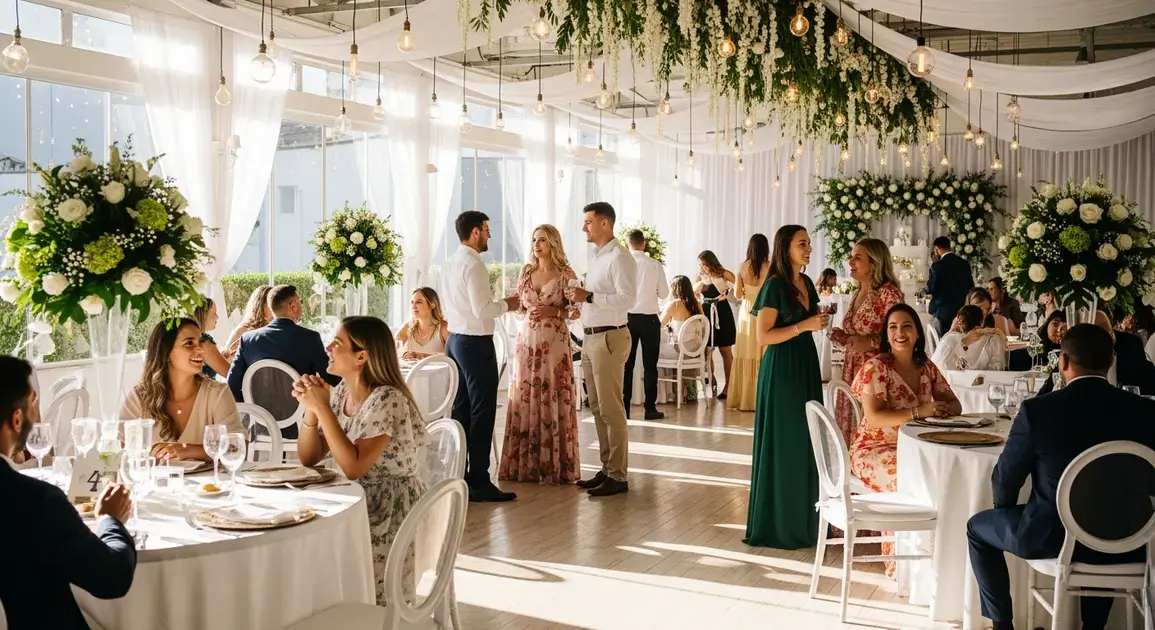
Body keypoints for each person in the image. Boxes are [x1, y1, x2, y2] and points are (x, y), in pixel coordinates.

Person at [967, 324, 1155, 630]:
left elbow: (1004, 480)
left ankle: (1002, 626)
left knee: (978, 529)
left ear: (1063, 362)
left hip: (1049, 538)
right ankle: (1093, 626)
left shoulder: (1038, 412)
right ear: (1111, 362)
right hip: (1131, 540)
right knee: (1103, 520)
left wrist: (1009, 513)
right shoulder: (1146, 411)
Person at [294, 316, 428, 606]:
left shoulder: (387, 399)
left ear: (361, 357)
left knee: (311, 550)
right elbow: (309, 457)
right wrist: (311, 410)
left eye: (337, 343)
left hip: (389, 511)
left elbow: (354, 468)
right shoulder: (343, 391)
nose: (328, 347)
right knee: (299, 545)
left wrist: (322, 406)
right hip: (354, 500)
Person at [0, 355, 137, 629]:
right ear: (17, 419)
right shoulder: (35, 501)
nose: (36, 413)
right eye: (33, 402)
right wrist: (111, 520)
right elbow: (111, 578)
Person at [852, 303, 962, 574]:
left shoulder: (925, 367)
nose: (899, 332)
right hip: (875, 449)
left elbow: (955, 404)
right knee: (908, 478)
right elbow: (875, 418)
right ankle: (901, 567)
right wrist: (919, 412)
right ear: (886, 336)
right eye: (892, 327)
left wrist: (942, 409)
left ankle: (941, 560)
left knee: (946, 474)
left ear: (917, 333)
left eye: (906, 326)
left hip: (916, 447)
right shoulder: (876, 367)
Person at [744, 225, 829, 549]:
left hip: (805, 365)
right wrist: (804, 325)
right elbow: (763, 337)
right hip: (782, 371)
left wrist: (818, 327)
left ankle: (807, 520)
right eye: (802, 244)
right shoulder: (774, 286)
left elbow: (811, 321)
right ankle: (779, 524)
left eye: (809, 243)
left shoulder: (806, 282)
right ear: (785, 248)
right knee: (787, 441)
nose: (808, 248)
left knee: (808, 441)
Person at [442, 210, 521, 502]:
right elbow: (483, 310)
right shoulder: (473, 265)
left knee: (461, 411)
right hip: (475, 344)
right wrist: (508, 304)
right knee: (483, 411)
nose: (489, 235)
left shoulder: (450, 262)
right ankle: (480, 480)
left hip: (455, 341)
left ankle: (459, 473)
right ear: (475, 232)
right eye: (487, 230)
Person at [499, 225, 581, 484]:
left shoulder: (567, 273)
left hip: (555, 344)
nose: (536, 244)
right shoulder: (526, 271)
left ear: (553, 243)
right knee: (526, 396)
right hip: (526, 343)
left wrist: (553, 312)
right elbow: (521, 308)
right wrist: (508, 305)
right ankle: (525, 467)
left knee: (551, 394)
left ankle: (553, 467)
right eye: (534, 239)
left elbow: (576, 312)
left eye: (542, 240)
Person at [566, 202, 637, 497]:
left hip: (611, 338)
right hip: (592, 337)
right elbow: (596, 299)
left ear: (605, 223)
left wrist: (590, 296)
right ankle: (607, 469)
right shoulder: (597, 257)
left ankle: (618, 476)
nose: (584, 227)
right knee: (596, 408)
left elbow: (627, 299)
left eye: (588, 222)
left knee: (611, 409)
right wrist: (580, 304)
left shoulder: (620, 257)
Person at [121, 318, 246, 460]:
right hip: (155, 482)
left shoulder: (217, 393)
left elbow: (236, 447)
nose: (200, 349)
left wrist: (188, 450)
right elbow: (119, 449)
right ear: (166, 352)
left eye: (201, 342)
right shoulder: (140, 397)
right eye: (189, 343)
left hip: (210, 482)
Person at [226, 285, 339, 439]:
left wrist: (255, 413)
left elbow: (232, 386)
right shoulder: (310, 338)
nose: (302, 306)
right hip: (301, 425)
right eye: (300, 302)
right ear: (293, 306)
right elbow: (332, 378)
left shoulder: (248, 340)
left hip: (261, 426)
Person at [828, 238, 905, 444]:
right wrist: (843, 338)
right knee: (852, 428)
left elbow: (901, 336)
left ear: (874, 264)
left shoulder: (889, 294)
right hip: (852, 371)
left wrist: (871, 343)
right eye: (851, 257)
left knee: (870, 433)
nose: (850, 262)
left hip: (876, 374)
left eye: (857, 258)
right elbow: (858, 335)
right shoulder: (857, 292)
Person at [1038, 310, 1155, 395]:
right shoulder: (1070, 355)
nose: (1099, 340)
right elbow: (1044, 394)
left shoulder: (1130, 350)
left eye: (1108, 332)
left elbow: (1148, 387)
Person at [623, 229, 669, 421]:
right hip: (650, 319)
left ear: (628, 244)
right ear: (643, 244)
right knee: (651, 366)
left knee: (627, 364)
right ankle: (650, 409)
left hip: (628, 319)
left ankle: (624, 408)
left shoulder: (624, 264)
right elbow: (664, 294)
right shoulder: (654, 265)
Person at [728, 234, 771, 411]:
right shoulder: (770, 266)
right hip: (764, 310)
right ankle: (763, 398)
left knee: (746, 353)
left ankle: (745, 399)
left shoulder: (742, 267)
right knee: (763, 352)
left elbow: (738, 295)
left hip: (747, 312)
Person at [694, 250, 737, 399]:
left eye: (704, 263)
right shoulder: (700, 277)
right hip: (706, 312)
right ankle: (711, 382)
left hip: (722, 311)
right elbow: (694, 294)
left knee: (725, 350)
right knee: (708, 350)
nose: (702, 266)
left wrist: (724, 285)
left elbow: (737, 290)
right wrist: (701, 282)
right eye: (700, 264)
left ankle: (729, 386)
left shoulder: (725, 273)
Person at [658, 276, 708, 403]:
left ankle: (667, 394)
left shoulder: (674, 305)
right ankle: (686, 393)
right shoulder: (696, 304)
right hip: (695, 350)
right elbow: (703, 324)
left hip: (680, 350)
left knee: (654, 350)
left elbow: (659, 324)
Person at [932, 304, 1008, 371]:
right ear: (982, 322)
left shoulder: (950, 340)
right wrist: (997, 331)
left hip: (954, 385)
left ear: (960, 324)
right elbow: (999, 369)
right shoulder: (994, 341)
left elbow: (938, 366)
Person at [924, 236, 974, 335]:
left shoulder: (937, 265)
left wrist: (925, 289)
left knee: (945, 340)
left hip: (943, 312)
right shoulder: (964, 264)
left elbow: (932, 288)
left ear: (936, 248)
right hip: (962, 310)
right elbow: (971, 286)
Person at [396, 287, 449, 360]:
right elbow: (391, 348)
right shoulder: (408, 327)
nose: (413, 306)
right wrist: (404, 354)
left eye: (419, 302)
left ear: (432, 305)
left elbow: (453, 356)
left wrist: (422, 356)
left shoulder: (444, 327)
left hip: (437, 371)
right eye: (412, 302)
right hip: (413, 371)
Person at [224, 285, 273, 359]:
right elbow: (228, 358)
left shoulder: (274, 327)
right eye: (271, 305)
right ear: (261, 305)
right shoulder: (243, 330)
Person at [192, 297, 231, 379]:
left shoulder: (189, 337)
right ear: (204, 314)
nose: (217, 317)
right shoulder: (203, 340)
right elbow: (230, 373)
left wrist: (222, 357)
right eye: (214, 313)